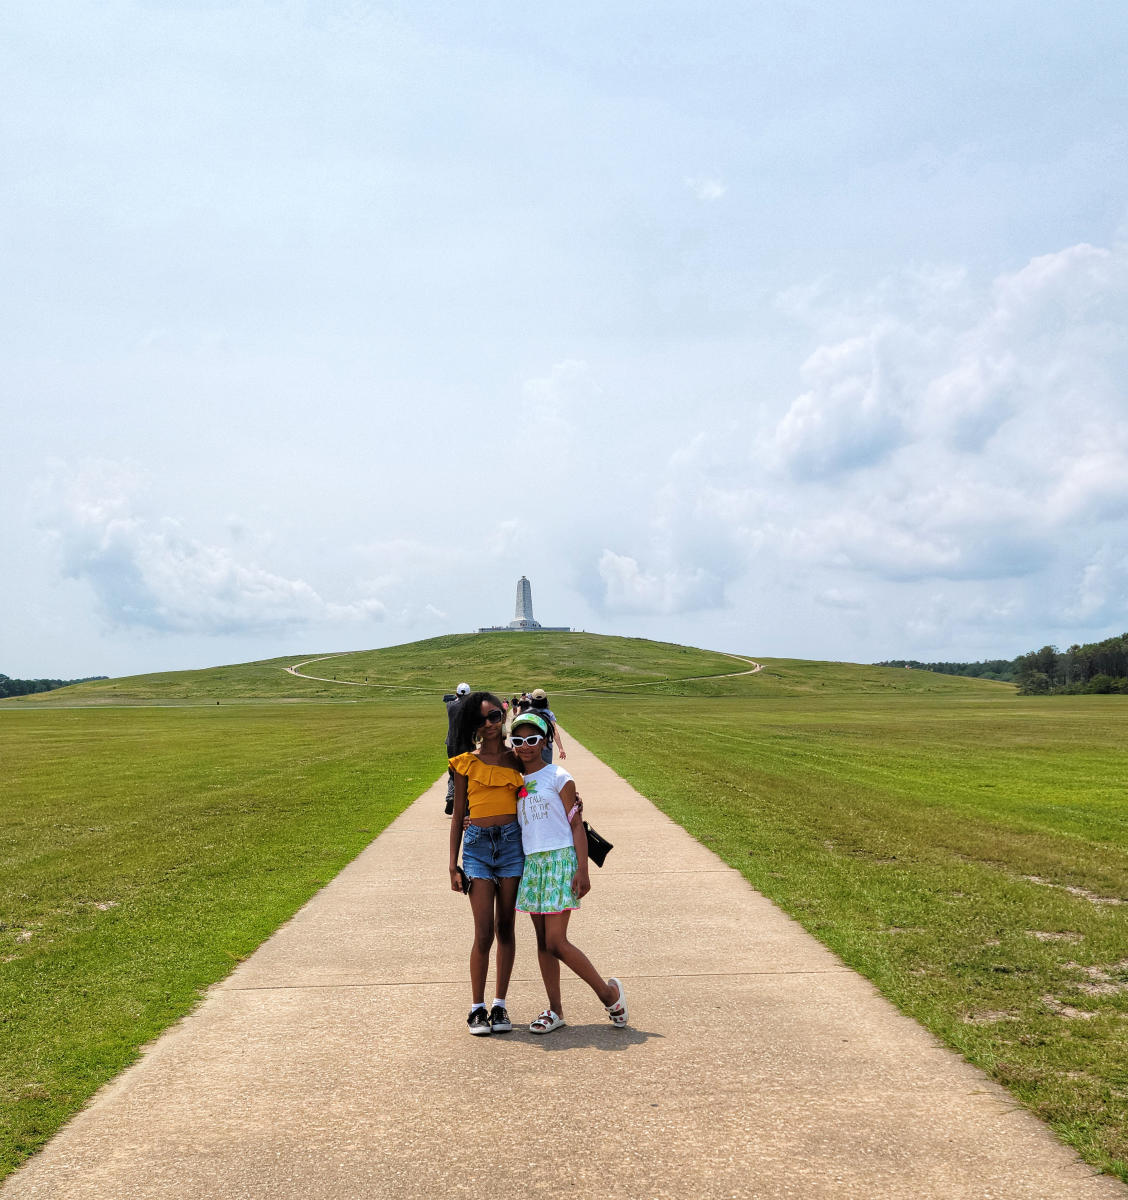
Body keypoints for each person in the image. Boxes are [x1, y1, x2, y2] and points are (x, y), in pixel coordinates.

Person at [508, 712, 627, 1034]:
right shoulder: (513, 780)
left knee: (557, 941)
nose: (525, 746)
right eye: (518, 741)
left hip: (560, 860)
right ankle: (555, 1010)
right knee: (543, 943)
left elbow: (576, 825)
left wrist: (582, 869)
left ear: (545, 741)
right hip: (532, 865)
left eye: (533, 739)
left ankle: (609, 994)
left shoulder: (559, 776)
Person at [448, 692, 525, 1036]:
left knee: (505, 928)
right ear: (472, 726)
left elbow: (543, 788)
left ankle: (500, 1005)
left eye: (494, 716)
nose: (490, 725)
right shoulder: (464, 762)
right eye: (481, 720)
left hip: (511, 846)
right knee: (482, 934)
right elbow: (458, 814)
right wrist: (453, 863)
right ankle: (477, 1008)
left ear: (503, 715)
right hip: (477, 848)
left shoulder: (517, 760)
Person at [441, 682, 472, 815]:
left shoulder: (450, 706)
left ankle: (451, 796)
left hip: (452, 743)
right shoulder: (472, 708)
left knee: (453, 771)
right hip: (467, 743)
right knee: (468, 773)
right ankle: (466, 803)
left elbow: (450, 700)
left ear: (456, 693)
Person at [529, 688, 566, 764]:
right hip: (546, 746)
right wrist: (560, 748)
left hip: (531, 746)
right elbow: (554, 731)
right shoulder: (549, 714)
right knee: (546, 771)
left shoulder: (529, 713)